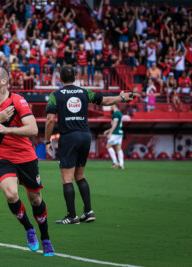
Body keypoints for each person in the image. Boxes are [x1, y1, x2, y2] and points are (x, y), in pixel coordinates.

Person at [0, 66, 54, 256]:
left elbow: (33, 129)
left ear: (3, 81)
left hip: (26, 156)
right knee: (11, 194)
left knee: (35, 199)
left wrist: (7, 129)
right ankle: (29, 229)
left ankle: (45, 238)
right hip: (2, 156)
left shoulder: (18, 100)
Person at [45, 66, 134, 224]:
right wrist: (122, 98)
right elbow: (105, 101)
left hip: (69, 137)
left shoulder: (55, 95)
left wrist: (47, 141)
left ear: (60, 79)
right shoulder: (84, 92)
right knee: (80, 176)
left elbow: (50, 120)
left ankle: (72, 216)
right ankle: (88, 212)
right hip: (85, 136)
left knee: (67, 179)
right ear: (75, 78)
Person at [104, 104, 125, 169]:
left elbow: (115, 124)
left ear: (113, 105)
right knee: (118, 147)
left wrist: (110, 133)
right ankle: (121, 164)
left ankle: (115, 162)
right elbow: (118, 125)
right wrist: (108, 130)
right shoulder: (119, 113)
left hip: (115, 133)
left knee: (108, 146)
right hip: (120, 132)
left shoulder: (115, 113)